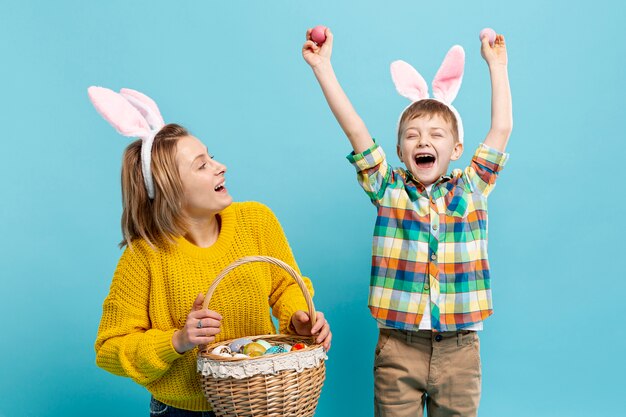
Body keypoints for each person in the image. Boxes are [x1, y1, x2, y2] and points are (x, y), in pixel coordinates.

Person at [302, 27, 512, 417]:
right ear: (399, 150)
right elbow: (356, 130)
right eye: (412, 136)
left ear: (457, 148)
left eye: (436, 134)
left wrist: (497, 66)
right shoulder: (387, 188)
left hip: (460, 349)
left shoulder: (472, 188)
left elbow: (501, 130)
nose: (423, 141)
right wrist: (323, 68)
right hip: (399, 346)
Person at [89, 87, 332, 416]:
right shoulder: (143, 257)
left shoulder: (256, 221)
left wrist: (298, 318)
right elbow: (109, 347)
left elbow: (285, 285)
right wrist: (177, 340)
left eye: (211, 156)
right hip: (180, 411)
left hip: (257, 402)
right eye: (201, 166)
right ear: (170, 191)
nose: (221, 167)